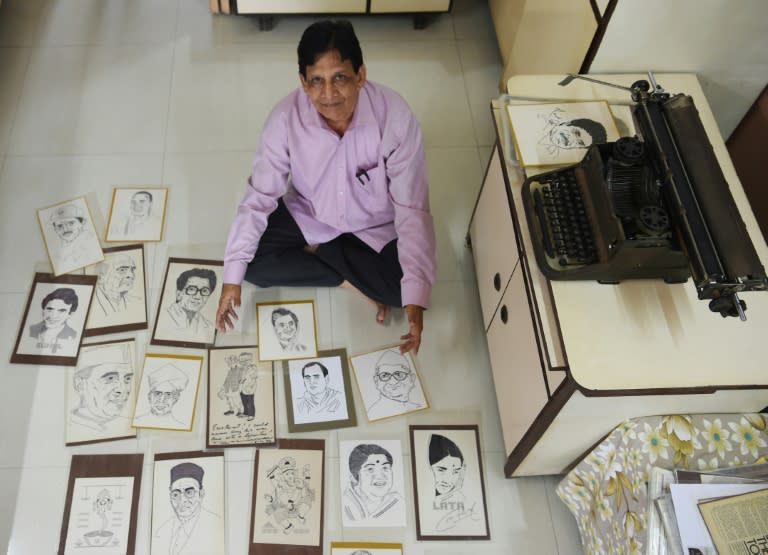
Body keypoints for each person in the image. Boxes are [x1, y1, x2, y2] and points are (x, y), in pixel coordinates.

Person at [216, 20, 437, 355]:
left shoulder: (396, 118)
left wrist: (414, 303)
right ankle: (349, 279)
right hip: (311, 212)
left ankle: (322, 252)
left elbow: (412, 209)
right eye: (317, 80)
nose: (329, 94)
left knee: (403, 292)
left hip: (374, 224)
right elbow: (260, 198)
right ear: (303, 83)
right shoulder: (283, 119)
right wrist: (231, 279)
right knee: (250, 265)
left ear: (361, 75)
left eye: (340, 78)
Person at [153, 462, 223, 555]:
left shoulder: (215, 526)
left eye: (189, 492)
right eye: (176, 494)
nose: (182, 500)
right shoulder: (161, 531)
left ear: (201, 494)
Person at [70, 353, 133, 433]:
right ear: (80, 384)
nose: (123, 389)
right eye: (110, 378)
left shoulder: (119, 428)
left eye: (127, 379)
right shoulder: (74, 428)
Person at [428, 433, 479, 531]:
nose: (449, 479)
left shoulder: (465, 500)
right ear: (429, 467)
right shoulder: (424, 500)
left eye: (456, 471)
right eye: (441, 470)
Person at [342, 443, 401, 521]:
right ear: (353, 477)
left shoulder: (398, 502)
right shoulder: (345, 506)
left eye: (385, 468)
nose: (380, 476)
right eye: (370, 469)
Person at [263, 456, 315, 534]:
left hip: (297, 504)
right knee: (277, 513)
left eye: (292, 473)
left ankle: (300, 516)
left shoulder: (298, 482)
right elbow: (275, 485)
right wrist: (271, 477)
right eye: (287, 474)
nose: (290, 476)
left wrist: (307, 475)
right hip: (286, 507)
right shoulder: (282, 484)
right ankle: (288, 526)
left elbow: (303, 487)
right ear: (282, 476)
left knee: (307, 501)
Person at [367, 349, 422, 419]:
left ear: (412, 379)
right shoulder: (374, 414)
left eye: (399, 374)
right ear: (376, 381)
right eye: (384, 375)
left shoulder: (417, 408)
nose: (393, 382)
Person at [165, 268, 216, 336]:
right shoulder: (164, 317)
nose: (198, 296)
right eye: (191, 289)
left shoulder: (210, 327)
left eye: (204, 291)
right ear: (178, 294)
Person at [28, 287, 79, 355]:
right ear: (43, 310)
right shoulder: (30, 330)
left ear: (70, 314)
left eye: (61, 311)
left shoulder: (73, 335)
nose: (53, 316)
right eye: (50, 309)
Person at [49, 203, 97, 270]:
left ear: (82, 223)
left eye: (71, 223)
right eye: (60, 226)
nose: (65, 229)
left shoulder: (91, 243)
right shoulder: (58, 251)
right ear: (55, 229)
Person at [238, 352, 259, 421]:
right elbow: (243, 377)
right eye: (242, 361)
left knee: (250, 402)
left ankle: (251, 415)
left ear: (250, 360)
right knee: (244, 401)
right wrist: (241, 381)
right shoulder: (243, 369)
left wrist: (250, 385)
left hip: (249, 388)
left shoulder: (253, 368)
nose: (244, 363)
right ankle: (246, 412)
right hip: (242, 388)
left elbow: (254, 377)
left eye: (246, 360)